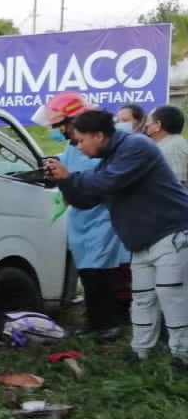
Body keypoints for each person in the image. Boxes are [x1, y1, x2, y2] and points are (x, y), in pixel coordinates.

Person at [45, 109, 188, 368]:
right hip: (141, 239)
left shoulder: (136, 147)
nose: (78, 147)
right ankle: (140, 351)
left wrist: (70, 177)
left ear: (98, 136)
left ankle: (182, 355)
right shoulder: (110, 159)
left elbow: (107, 182)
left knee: (172, 296)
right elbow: (86, 200)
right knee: (143, 298)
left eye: (80, 140)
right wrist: (63, 182)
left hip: (171, 232)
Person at [36, 93, 127, 341]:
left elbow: (89, 179)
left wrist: (67, 179)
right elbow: (66, 163)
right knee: (88, 273)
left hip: (100, 217)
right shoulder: (73, 145)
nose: (55, 131)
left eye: (57, 126)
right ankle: (94, 322)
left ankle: (108, 324)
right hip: (82, 217)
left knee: (100, 273)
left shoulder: (98, 147)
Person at [146, 105, 188, 187]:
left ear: (158, 124)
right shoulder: (170, 143)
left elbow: (175, 185)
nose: (146, 124)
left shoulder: (173, 147)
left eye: (148, 120)